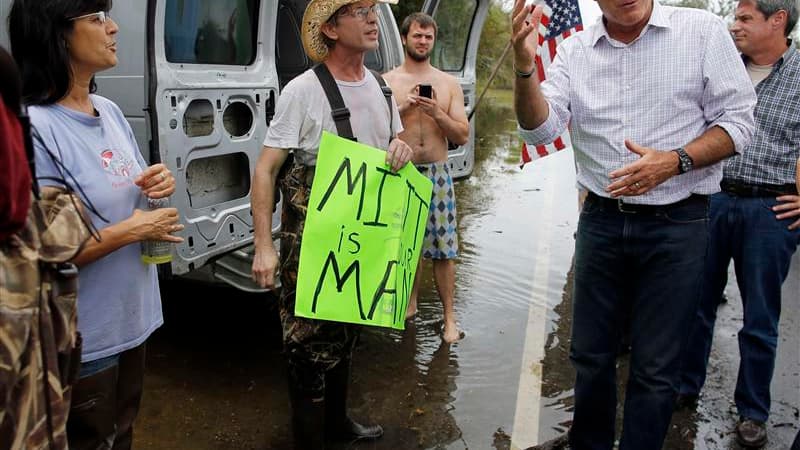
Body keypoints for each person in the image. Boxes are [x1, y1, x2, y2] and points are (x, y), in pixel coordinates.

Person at [510, 0, 757, 447]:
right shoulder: (574, 50)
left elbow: (739, 124)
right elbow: (540, 130)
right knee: (589, 355)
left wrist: (676, 161)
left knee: (658, 367)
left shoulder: (701, 31)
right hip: (602, 221)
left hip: (679, 223)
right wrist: (526, 67)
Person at [8, 1, 184, 448]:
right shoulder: (35, 126)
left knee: (121, 434)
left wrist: (157, 183)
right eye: (96, 18)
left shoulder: (107, 109)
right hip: (83, 334)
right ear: (58, 33)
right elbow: (45, 248)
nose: (112, 28)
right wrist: (135, 229)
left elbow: (129, 192)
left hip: (134, 317)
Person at [249, 0, 412, 448]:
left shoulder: (380, 88)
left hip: (361, 245)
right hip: (311, 250)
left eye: (372, 11)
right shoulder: (303, 91)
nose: (372, 18)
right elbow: (265, 170)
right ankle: (310, 439)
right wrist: (264, 246)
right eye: (359, 11)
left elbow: (394, 144)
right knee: (305, 346)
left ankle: (338, 425)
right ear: (332, 28)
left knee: (349, 332)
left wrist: (402, 149)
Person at [676, 1, 800, 445]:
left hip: (770, 210)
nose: (736, 26)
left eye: (746, 18)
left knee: (760, 317)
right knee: (695, 304)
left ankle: (753, 411)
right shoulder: (722, 62)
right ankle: (684, 387)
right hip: (710, 199)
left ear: (778, 20)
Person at [384, 12, 469, 343]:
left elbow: (462, 134)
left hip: (437, 173)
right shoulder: (386, 81)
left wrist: (437, 113)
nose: (422, 41)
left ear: (434, 41)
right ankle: (408, 304)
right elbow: (374, 132)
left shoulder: (448, 84)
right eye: (417, 35)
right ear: (405, 38)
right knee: (405, 244)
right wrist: (403, 108)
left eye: (428, 37)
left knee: (444, 249)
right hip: (399, 172)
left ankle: (449, 317)